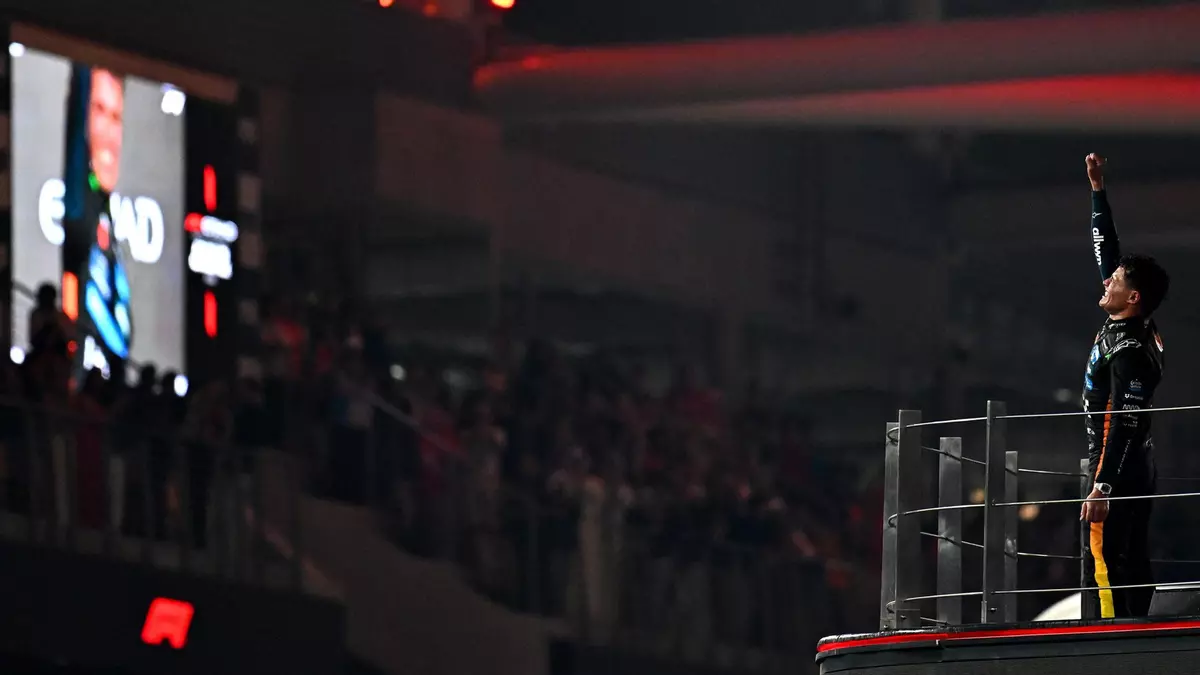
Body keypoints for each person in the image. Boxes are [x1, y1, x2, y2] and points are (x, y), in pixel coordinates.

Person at [1079, 153, 1170, 619]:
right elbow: (1107, 250)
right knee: (1129, 558)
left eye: (1113, 281)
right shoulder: (1129, 319)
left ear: (1132, 297)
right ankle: (1135, 634)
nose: (1106, 280)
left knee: (1105, 561)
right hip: (1130, 465)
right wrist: (1098, 191)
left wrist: (1103, 486)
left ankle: (1110, 640)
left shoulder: (1131, 349)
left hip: (1118, 465)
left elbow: (1125, 421)